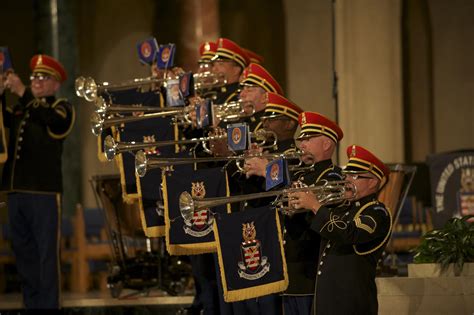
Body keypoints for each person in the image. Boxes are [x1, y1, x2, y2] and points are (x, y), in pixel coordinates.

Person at [0, 54, 74, 310]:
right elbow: (2, 123)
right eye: (34, 77)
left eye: (44, 77)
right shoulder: (23, 107)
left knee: (46, 258)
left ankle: (49, 307)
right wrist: (1, 93)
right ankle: (31, 306)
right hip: (16, 191)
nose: (37, 81)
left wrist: (22, 91)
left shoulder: (62, 107)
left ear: (56, 84)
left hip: (43, 192)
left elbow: (52, 121)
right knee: (24, 255)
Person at [288, 145, 392, 315]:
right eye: (347, 174)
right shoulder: (342, 209)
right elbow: (319, 229)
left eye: (355, 175)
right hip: (325, 303)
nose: (347, 180)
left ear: (373, 182)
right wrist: (299, 204)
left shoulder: (377, 212)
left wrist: (315, 205)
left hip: (351, 305)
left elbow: (348, 233)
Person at [282, 111, 344, 315]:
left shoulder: (332, 176)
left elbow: (325, 220)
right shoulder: (300, 174)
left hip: (310, 265)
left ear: (326, 144)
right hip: (291, 265)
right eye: (301, 139)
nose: (302, 144)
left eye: (308, 139)